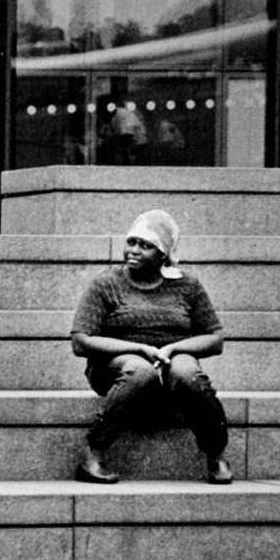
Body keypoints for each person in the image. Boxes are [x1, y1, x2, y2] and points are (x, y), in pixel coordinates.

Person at [69, 208, 230, 485]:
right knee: (140, 370)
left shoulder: (188, 286)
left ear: (163, 254)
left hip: (169, 363)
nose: (134, 250)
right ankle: (92, 451)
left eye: (145, 246)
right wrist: (139, 349)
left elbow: (215, 338)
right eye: (131, 242)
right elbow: (81, 340)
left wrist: (172, 349)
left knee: (187, 373)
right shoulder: (106, 284)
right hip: (116, 367)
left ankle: (215, 453)